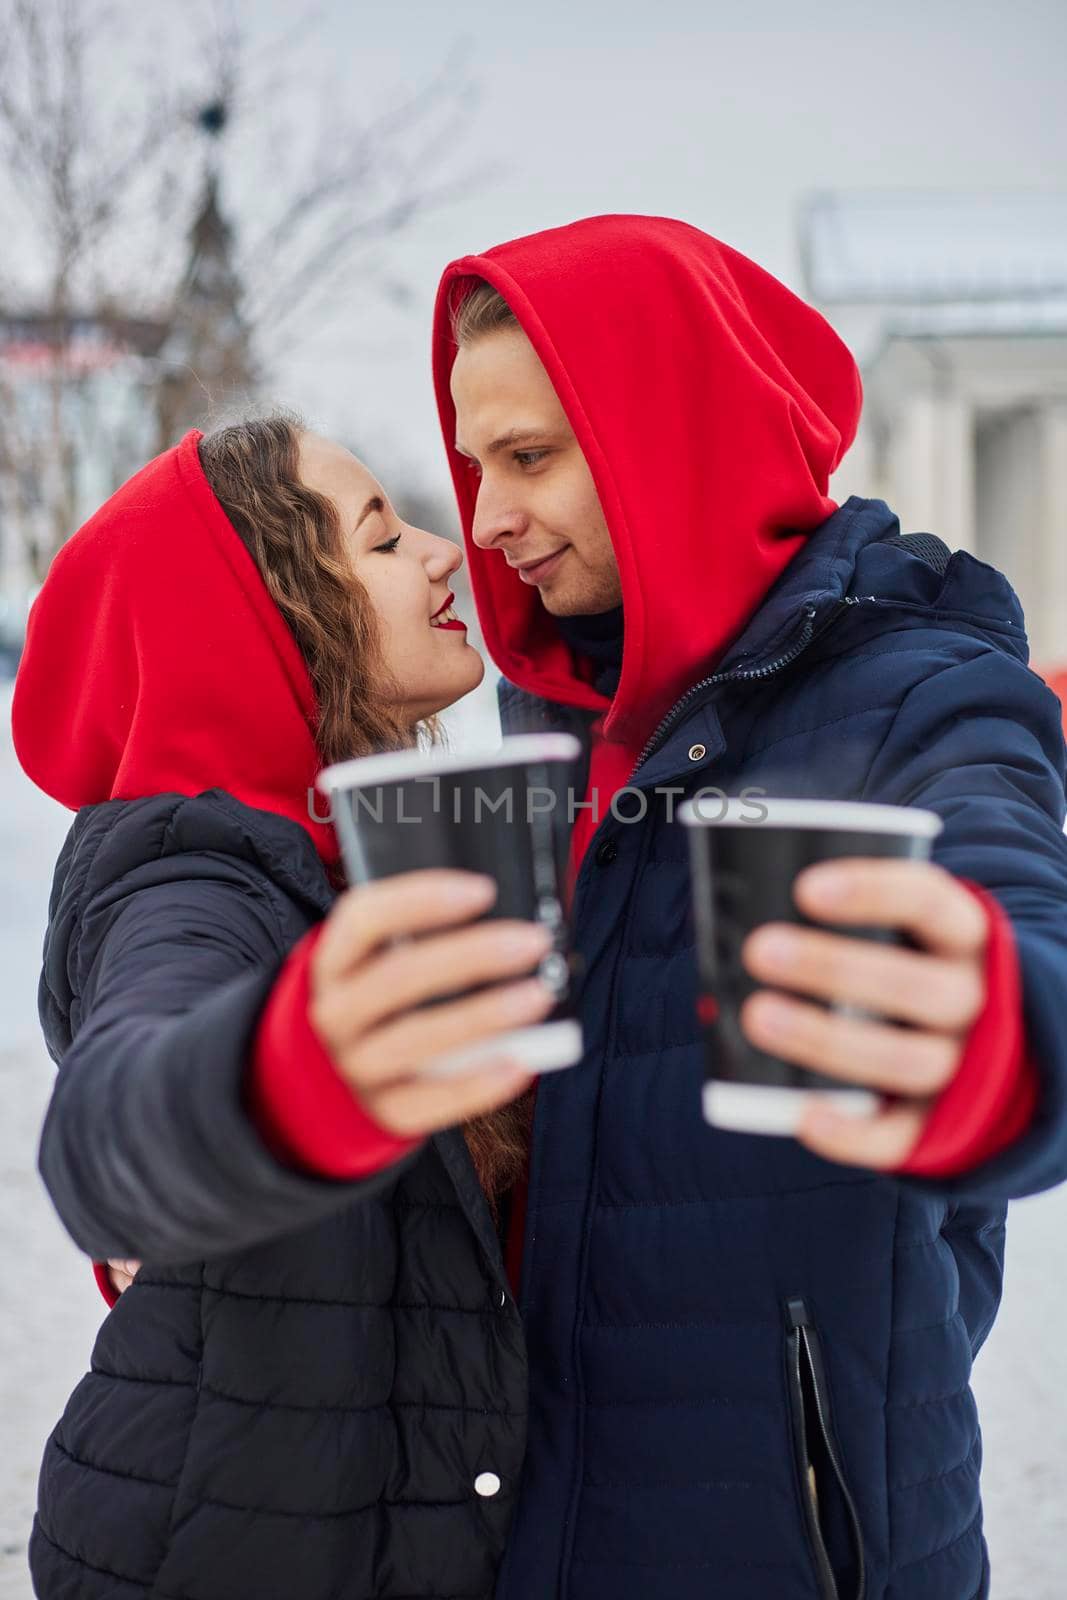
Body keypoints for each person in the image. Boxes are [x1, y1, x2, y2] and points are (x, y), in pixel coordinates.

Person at [425, 216, 1067, 1600]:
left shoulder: (916, 691)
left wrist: (989, 1041)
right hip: (522, 1534)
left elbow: (1022, 930)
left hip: (795, 1544)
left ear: (670, 435)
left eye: (529, 458)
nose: (486, 520)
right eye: (473, 466)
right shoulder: (546, 722)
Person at [14, 417, 555, 1600]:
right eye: (377, 539)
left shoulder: (361, 853)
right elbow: (108, 1123)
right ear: (261, 622)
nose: (441, 551)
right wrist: (284, 1079)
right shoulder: (193, 875)